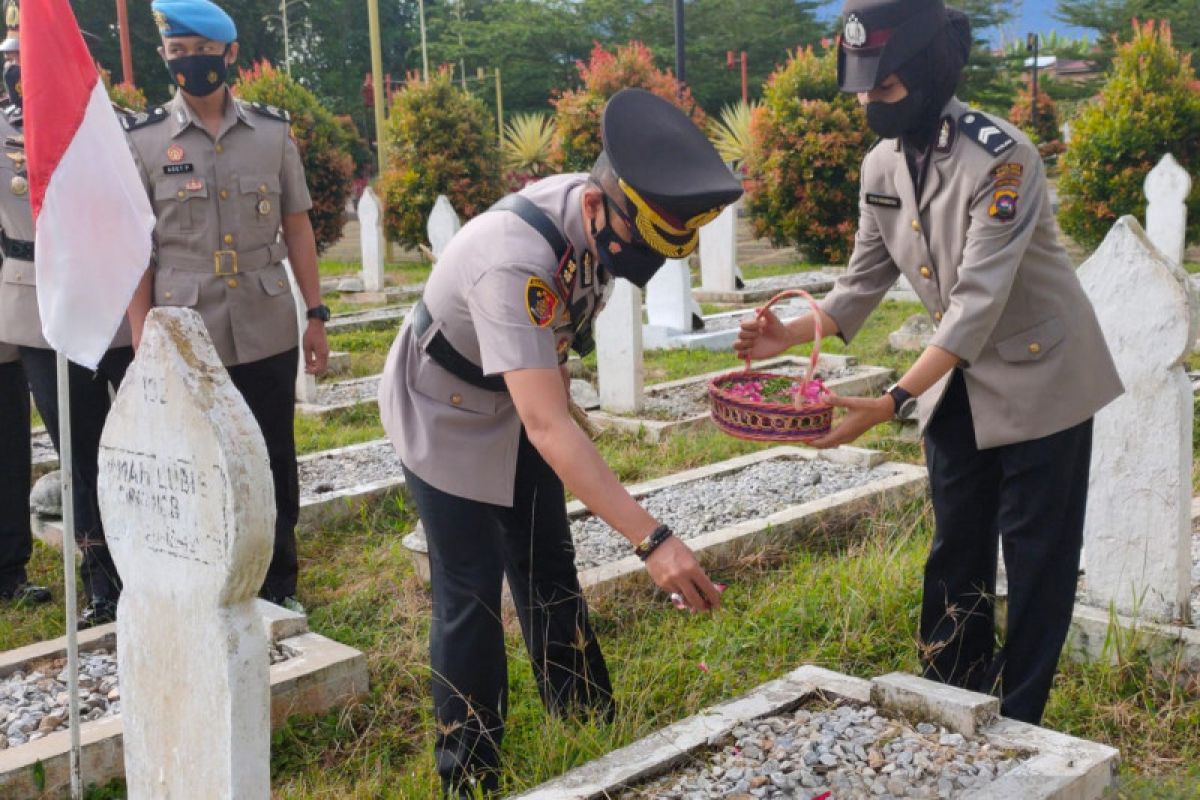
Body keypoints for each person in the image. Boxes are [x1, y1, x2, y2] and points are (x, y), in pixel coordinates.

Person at [736, 0, 1123, 725]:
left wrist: (890, 400)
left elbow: (976, 303)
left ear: (925, 74)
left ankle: (1019, 721)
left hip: (1043, 379)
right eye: (861, 90)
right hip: (959, 381)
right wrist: (784, 335)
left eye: (883, 90)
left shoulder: (1002, 156)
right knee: (956, 542)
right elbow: (860, 283)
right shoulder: (880, 164)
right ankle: (952, 692)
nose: (868, 104)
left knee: (1037, 560)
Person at [379, 88, 740, 798]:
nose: (636, 263)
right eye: (637, 246)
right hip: (442, 408)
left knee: (547, 562)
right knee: (470, 590)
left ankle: (584, 717)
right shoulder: (512, 256)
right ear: (602, 205)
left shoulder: (600, 215)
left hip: (518, 398)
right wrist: (653, 540)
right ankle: (470, 772)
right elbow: (547, 426)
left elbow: (551, 367)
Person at [124, 0, 329, 613]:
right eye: (177, 52)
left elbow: (297, 228)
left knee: (272, 455)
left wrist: (315, 314)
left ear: (229, 54)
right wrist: (142, 341)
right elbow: (140, 251)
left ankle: (278, 583)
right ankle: (209, 577)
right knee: (197, 458)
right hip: (185, 328)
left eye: (201, 51)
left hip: (265, 323)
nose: (191, 64)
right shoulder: (145, 140)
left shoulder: (271, 132)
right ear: (165, 56)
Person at [0, 5, 123, 623]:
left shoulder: (113, 129)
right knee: (79, 452)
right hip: (40, 313)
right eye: (13, 64)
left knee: (125, 443)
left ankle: (146, 559)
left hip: (117, 305)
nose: (21, 74)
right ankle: (101, 576)